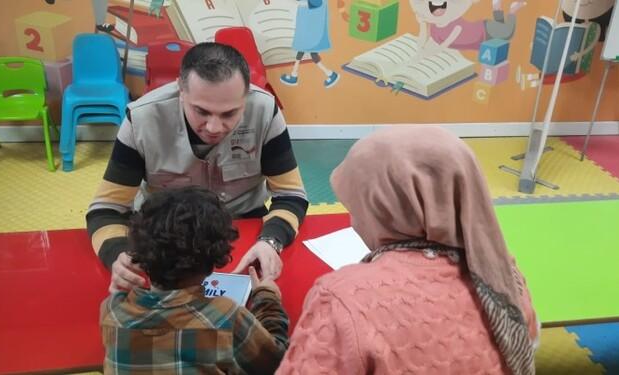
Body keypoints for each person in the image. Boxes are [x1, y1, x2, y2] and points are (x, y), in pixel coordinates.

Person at [276, 127, 540, 375]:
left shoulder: (340, 299)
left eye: (355, 208)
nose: (353, 221)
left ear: (384, 208)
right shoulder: (505, 278)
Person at [87, 43, 309, 292]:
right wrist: (117, 256)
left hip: (246, 234)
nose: (214, 127)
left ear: (246, 97)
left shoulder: (265, 110)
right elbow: (106, 209)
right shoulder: (142, 119)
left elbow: (291, 195)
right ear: (181, 90)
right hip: (164, 243)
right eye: (201, 111)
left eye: (229, 114)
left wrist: (271, 241)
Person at [100, 187, 289, 374]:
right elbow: (276, 363)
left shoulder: (112, 309)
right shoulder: (226, 317)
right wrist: (267, 298)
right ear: (214, 256)